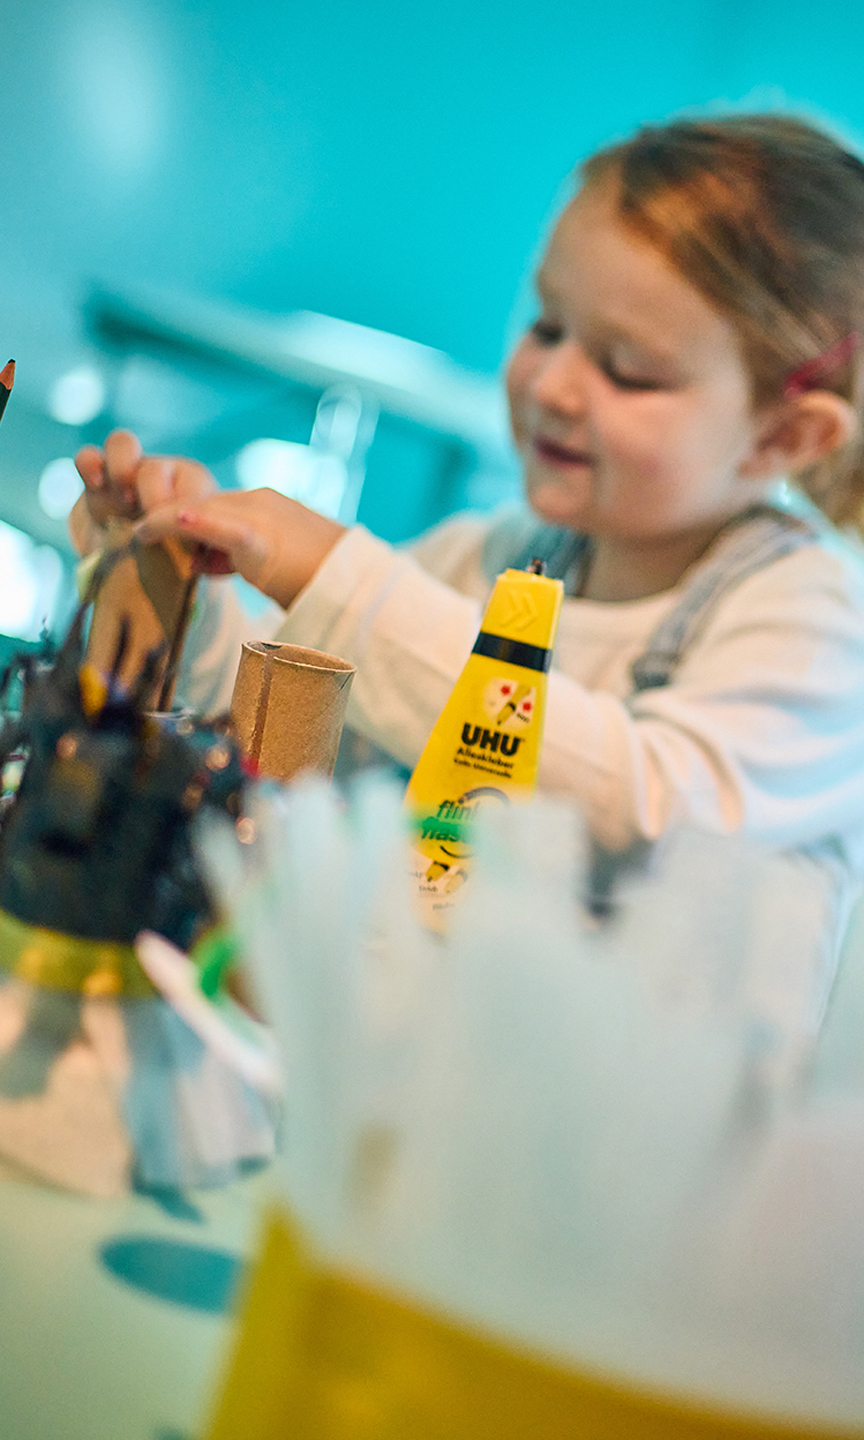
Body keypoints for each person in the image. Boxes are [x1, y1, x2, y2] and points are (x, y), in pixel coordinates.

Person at [71, 114, 864, 888]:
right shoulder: (487, 558)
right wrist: (174, 602)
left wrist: (344, 589)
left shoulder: (811, 617)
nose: (551, 386)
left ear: (785, 437)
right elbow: (258, 730)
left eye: (628, 372)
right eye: (548, 328)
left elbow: (646, 808)